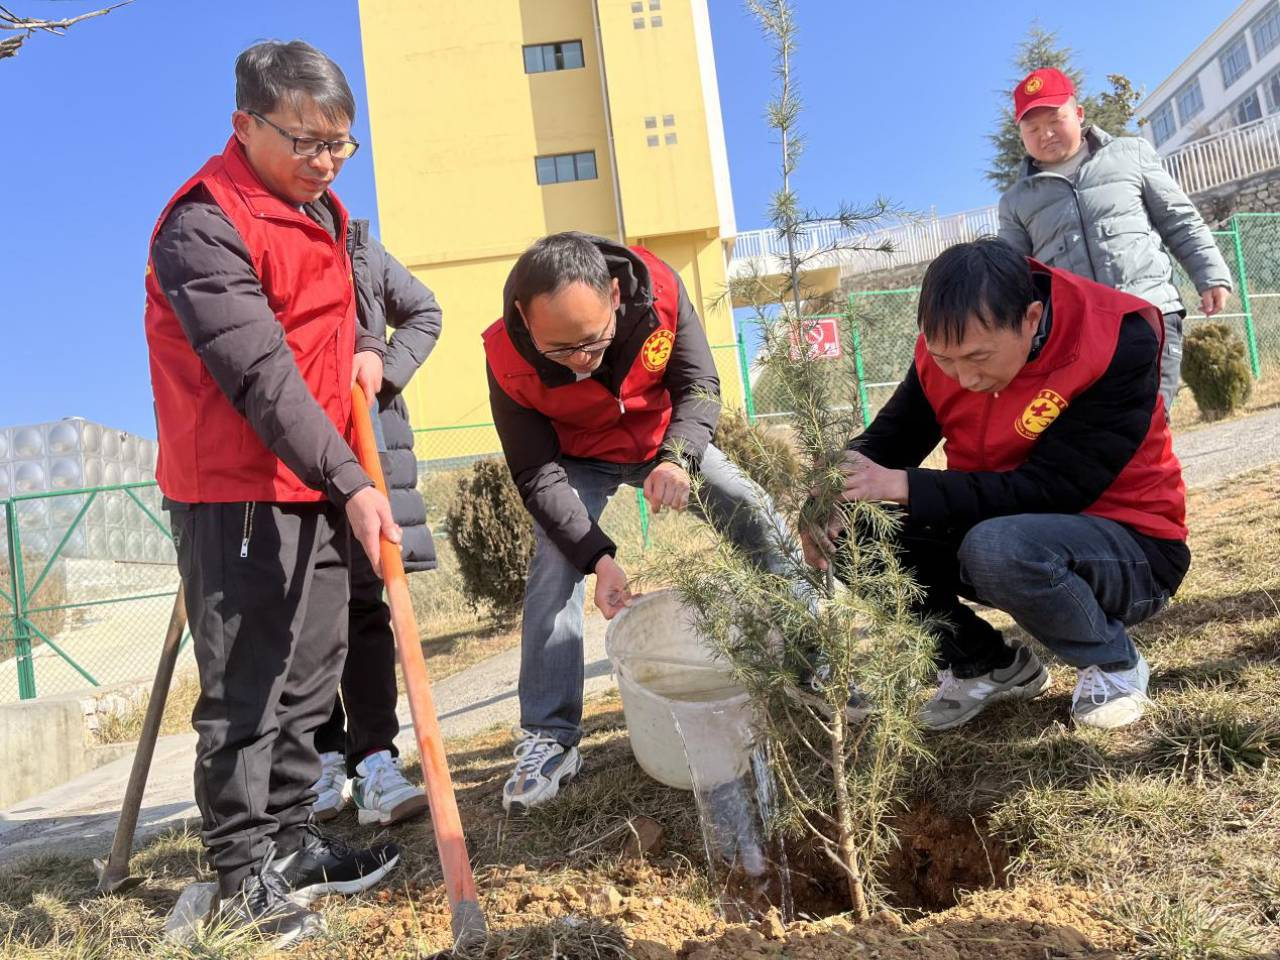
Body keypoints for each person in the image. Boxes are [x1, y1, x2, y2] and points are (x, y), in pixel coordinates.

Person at [144, 41, 401, 946]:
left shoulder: (323, 212)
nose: (328, 163)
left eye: (342, 145)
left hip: (318, 476)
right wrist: (351, 480)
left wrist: (371, 360)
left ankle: (291, 838)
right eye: (308, 142)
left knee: (310, 674)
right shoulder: (202, 224)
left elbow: (338, 333)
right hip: (237, 487)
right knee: (246, 683)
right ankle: (241, 870)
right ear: (244, 126)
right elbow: (261, 374)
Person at [485, 232, 826, 812]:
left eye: (592, 341)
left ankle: (811, 668)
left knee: (751, 509)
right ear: (524, 317)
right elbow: (537, 474)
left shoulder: (661, 291)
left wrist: (680, 457)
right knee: (553, 565)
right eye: (560, 350)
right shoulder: (506, 356)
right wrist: (598, 557)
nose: (582, 361)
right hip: (576, 457)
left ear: (615, 294)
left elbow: (698, 384)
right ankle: (549, 736)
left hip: (661, 438)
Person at [802, 238, 1190, 733]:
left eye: (978, 357)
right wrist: (830, 491)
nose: (962, 377)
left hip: (1130, 549)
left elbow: (1055, 489)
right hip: (999, 533)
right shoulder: (946, 349)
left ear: (1030, 318)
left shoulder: (1115, 337)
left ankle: (1114, 665)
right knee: (851, 532)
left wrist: (903, 484)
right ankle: (985, 665)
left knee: (999, 546)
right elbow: (894, 435)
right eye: (945, 359)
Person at [998, 66, 1233, 411]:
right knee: (1103, 443)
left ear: (1078, 114)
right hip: (1076, 339)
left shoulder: (1130, 155)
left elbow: (1179, 220)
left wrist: (1210, 275)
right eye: (1032, 128)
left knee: (1150, 424)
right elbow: (1013, 279)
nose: (1045, 133)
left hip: (1150, 314)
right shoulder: (1016, 201)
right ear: (1021, 135)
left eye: (1055, 120)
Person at [311, 218, 442, 828]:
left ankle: (372, 763)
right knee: (306, 619)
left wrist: (382, 366)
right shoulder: (248, 237)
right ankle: (321, 760)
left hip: (365, 445)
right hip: (297, 453)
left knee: (364, 607)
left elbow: (425, 313)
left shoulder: (359, 246)